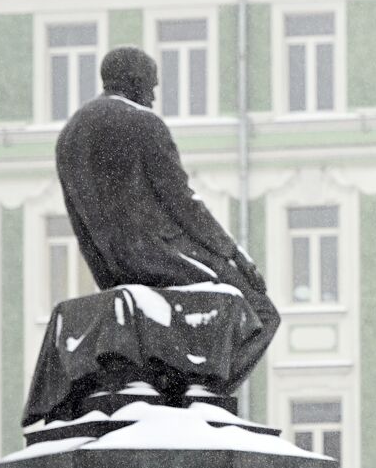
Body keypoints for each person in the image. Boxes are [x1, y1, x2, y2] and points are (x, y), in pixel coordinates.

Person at [54, 47, 279, 393]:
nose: (154, 97)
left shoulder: (68, 136)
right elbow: (183, 203)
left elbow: (79, 222)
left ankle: (181, 385)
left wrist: (108, 275)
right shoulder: (142, 122)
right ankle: (203, 394)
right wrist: (234, 254)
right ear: (134, 81)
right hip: (157, 254)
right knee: (261, 313)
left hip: (114, 265)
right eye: (152, 87)